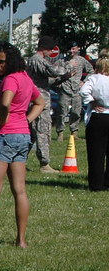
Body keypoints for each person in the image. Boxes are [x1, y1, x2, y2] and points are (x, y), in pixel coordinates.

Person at [0, 44, 44, 250]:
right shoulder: (25, 77)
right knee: (20, 190)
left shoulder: (11, 79)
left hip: (4, 136)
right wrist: (27, 120)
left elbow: (5, 102)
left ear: (11, 61)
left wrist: (2, 118)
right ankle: (21, 240)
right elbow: (40, 102)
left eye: (2, 61)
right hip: (22, 136)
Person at [26, 35, 69, 174]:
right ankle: (44, 164)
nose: (52, 53)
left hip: (41, 99)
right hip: (39, 102)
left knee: (33, 133)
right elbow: (53, 71)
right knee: (41, 130)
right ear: (45, 49)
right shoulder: (37, 60)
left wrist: (63, 78)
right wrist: (67, 67)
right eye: (51, 49)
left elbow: (46, 81)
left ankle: (19, 160)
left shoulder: (37, 61)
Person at [80, 55, 109, 191]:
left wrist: (92, 100)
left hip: (98, 116)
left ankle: (96, 184)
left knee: (96, 152)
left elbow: (83, 91)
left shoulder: (94, 79)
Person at [54, 41, 93, 141]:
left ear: (77, 49)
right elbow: (54, 73)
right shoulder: (61, 61)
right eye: (70, 49)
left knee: (76, 112)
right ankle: (60, 133)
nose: (71, 51)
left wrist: (84, 82)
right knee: (62, 112)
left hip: (77, 90)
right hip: (65, 90)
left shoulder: (81, 60)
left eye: (73, 49)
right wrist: (60, 82)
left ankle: (74, 132)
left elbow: (91, 71)